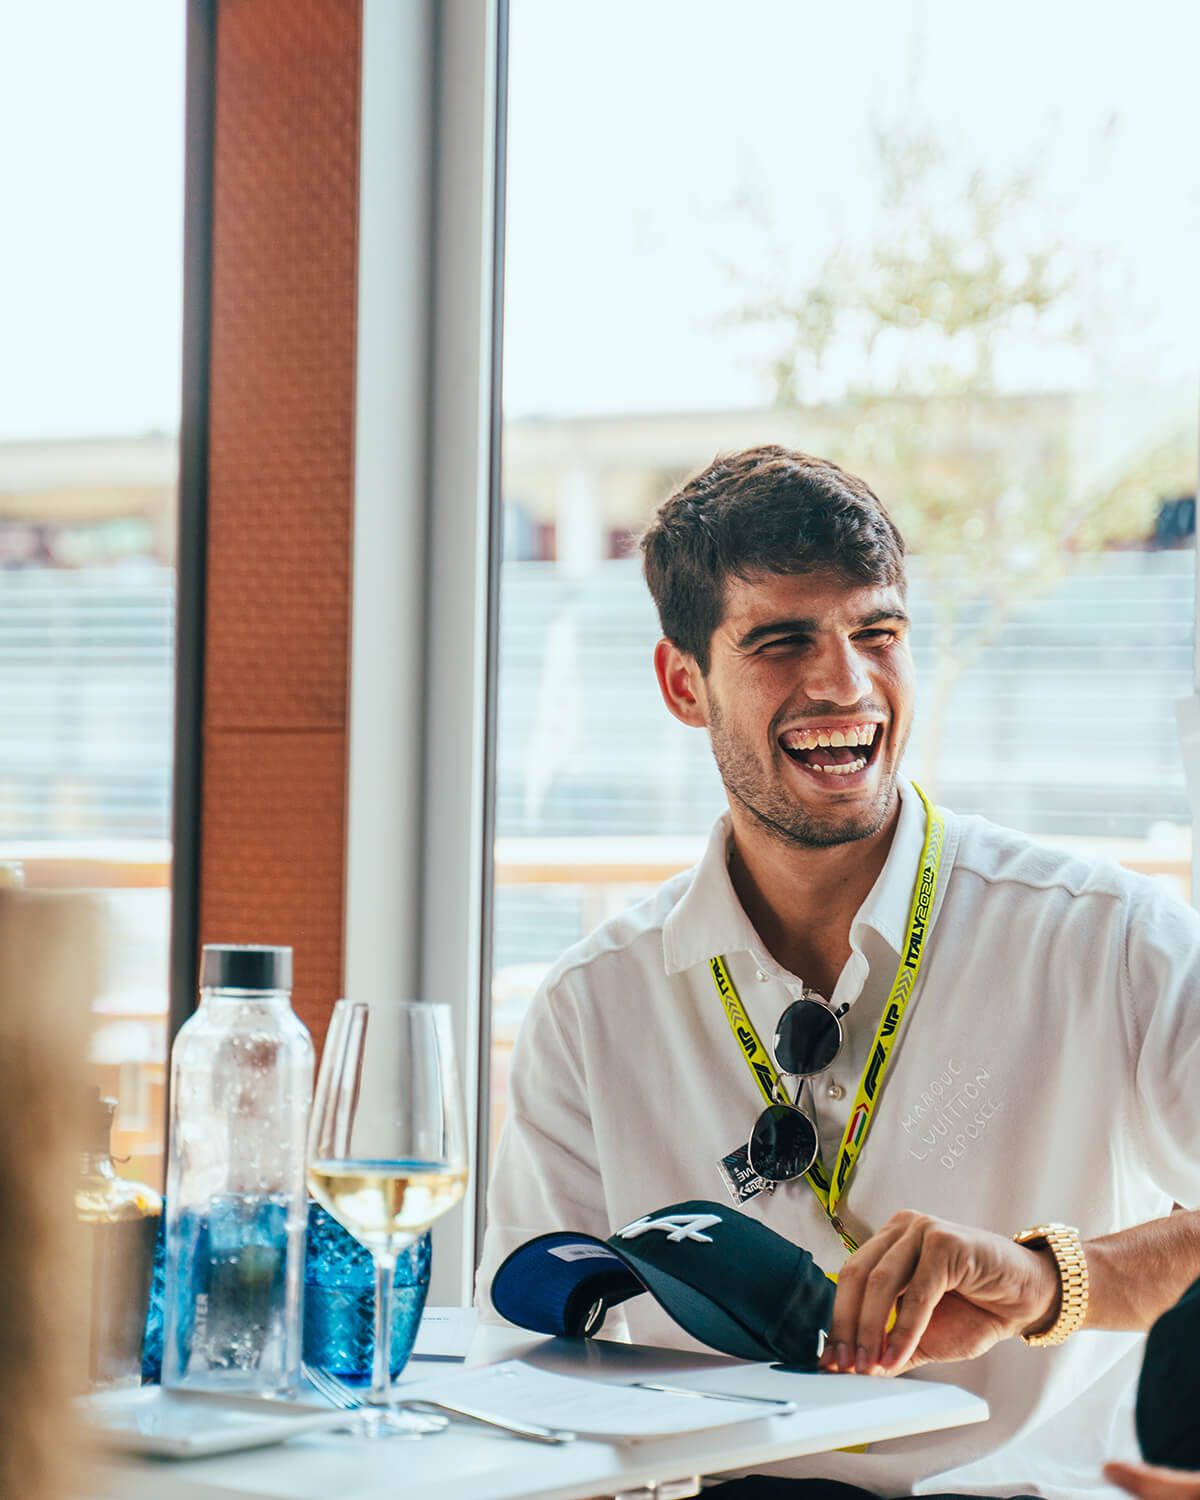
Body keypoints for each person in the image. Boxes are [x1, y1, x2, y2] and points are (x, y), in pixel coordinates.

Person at [477, 445, 1200, 1499]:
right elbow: (532, 1351)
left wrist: (1047, 1280)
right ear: (685, 684)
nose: (845, 684)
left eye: (878, 634)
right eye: (782, 641)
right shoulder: (593, 1007)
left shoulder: (1110, 936)